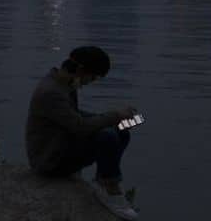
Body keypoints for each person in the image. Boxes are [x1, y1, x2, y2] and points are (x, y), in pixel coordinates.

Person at [26, 46, 139, 219]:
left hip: (62, 144)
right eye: (92, 77)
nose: (89, 82)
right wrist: (114, 115)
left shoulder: (63, 85)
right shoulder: (51, 93)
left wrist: (115, 120)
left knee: (121, 131)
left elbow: (73, 117)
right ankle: (109, 188)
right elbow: (79, 126)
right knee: (107, 136)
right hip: (49, 160)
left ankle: (105, 179)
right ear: (80, 70)